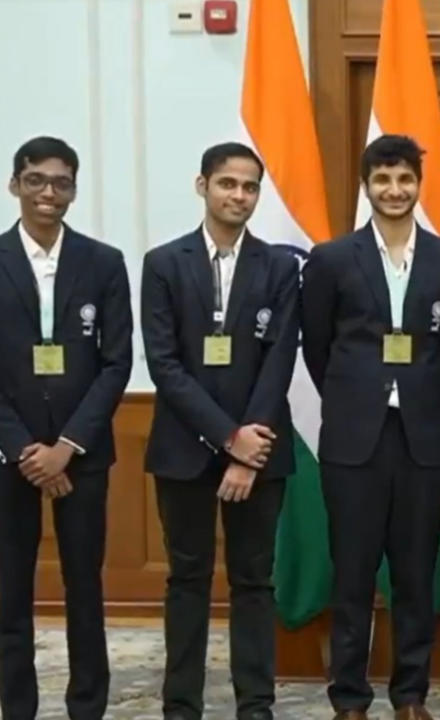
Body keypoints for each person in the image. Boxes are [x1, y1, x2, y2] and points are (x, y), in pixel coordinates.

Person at [300, 134, 440, 720]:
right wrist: (359, 396)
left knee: (415, 574)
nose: (394, 191)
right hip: (353, 438)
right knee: (351, 573)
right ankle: (349, 697)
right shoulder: (330, 259)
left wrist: (418, 397)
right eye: (383, 180)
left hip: (422, 436)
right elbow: (317, 348)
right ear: (366, 185)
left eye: (404, 180)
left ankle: (410, 695)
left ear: (418, 186)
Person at [140, 142, 300, 720]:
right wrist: (227, 439)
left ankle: (255, 704)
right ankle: (181, 705)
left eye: (250, 187)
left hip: (260, 453)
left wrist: (246, 450)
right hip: (183, 451)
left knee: (255, 582)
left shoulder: (281, 266)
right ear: (202, 185)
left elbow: (278, 361)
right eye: (228, 183)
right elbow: (165, 365)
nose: (239, 196)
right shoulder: (163, 263)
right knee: (187, 578)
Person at [0, 136, 131, 720]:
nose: (48, 192)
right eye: (35, 180)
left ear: (74, 190)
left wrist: (67, 447)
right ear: (14, 185)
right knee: (9, 595)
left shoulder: (103, 263)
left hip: (84, 455)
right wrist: (28, 450)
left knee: (85, 590)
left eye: (61, 182)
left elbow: (117, 361)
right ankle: (17, 708)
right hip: (10, 457)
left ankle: (87, 707)